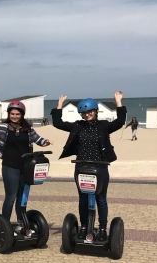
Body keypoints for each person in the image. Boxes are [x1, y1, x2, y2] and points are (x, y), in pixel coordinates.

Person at [51, 92, 126, 242]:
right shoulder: (77, 126)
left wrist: (118, 102)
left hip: (100, 168)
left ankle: (103, 229)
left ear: (95, 111)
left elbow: (120, 122)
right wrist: (59, 106)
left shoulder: (104, 125)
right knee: (83, 199)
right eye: (84, 113)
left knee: (101, 199)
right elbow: (58, 123)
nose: (87, 115)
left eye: (90, 111)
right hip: (82, 168)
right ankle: (84, 227)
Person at [0, 101, 53, 234]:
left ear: (22, 115)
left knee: (22, 196)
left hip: (27, 167)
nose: (15, 116)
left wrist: (46, 142)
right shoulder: (3, 127)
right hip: (10, 166)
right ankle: (5, 224)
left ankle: (22, 223)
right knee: (11, 196)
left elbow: (39, 140)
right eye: (12, 114)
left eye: (17, 114)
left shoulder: (28, 129)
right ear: (9, 114)